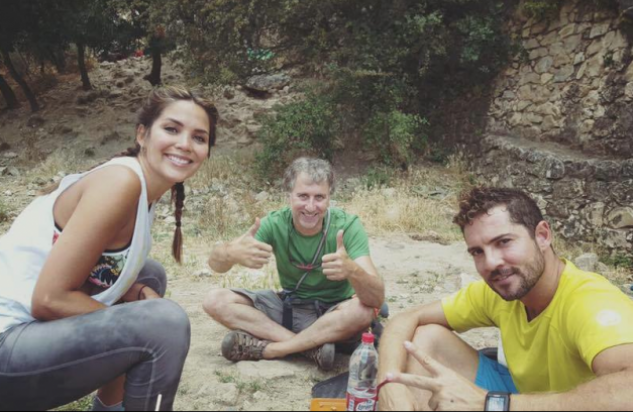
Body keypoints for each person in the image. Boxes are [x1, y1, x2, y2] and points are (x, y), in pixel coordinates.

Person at [0, 86, 218, 411]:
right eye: (171, 129)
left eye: (199, 138)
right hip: (8, 345)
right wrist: (140, 324)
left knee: (149, 276)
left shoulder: (144, 190)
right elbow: (49, 299)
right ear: (142, 135)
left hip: (26, 338)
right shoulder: (120, 182)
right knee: (164, 324)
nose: (184, 144)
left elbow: (95, 274)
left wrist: (139, 298)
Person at [378, 187, 633, 411]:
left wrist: (493, 403)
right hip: (519, 394)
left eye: (504, 242)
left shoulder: (589, 302)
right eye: (478, 251)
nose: (491, 263)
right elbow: (405, 319)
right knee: (427, 337)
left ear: (542, 236)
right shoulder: (499, 291)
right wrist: (389, 385)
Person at [203, 157, 385, 370]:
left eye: (319, 197)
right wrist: (230, 253)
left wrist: (352, 270)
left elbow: (377, 298)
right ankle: (310, 348)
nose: (310, 207)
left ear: (329, 199)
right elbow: (215, 265)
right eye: (302, 196)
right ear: (288, 196)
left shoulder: (348, 226)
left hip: (334, 314)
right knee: (214, 300)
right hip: (292, 308)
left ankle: (274, 349)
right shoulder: (274, 223)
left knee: (363, 311)